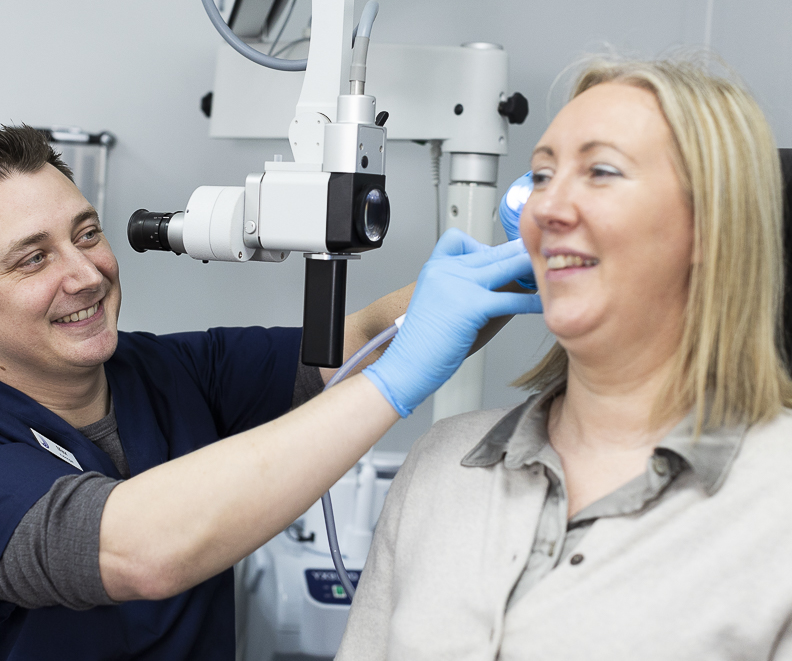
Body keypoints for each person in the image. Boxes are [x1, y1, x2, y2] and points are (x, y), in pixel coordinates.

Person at [0, 125, 541, 660]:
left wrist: (513, 264)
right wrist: (395, 384)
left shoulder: (171, 369)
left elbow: (360, 340)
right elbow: (139, 549)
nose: (86, 274)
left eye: (86, 234)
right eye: (34, 257)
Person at [336, 56, 792, 660]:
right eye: (542, 177)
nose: (544, 210)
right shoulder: (442, 464)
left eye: (601, 172)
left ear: (712, 226)